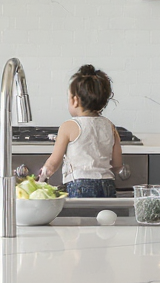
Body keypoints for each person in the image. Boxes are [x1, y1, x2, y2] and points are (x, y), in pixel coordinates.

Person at [36, 65, 123, 199]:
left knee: (80, 219)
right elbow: (117, 164)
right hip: (107, 184)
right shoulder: (110, 126)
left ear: (75, 100)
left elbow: (53, 164)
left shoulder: (68, 126)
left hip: (79, 185)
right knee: (104, 219)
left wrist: (40, 178)